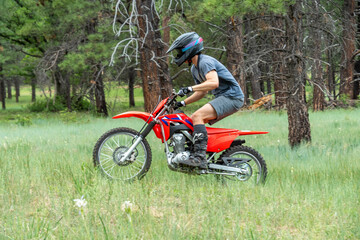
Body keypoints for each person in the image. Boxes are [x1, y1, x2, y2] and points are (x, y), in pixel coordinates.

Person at [166, 32, 244, 168]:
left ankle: (200, 158)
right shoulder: (194, 68)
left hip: (232, 97)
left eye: (179, 51)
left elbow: (213, 83)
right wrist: (182, 103)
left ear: (188, 49)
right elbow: (202, 92)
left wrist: (190, 88)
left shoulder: (205, 62)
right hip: (225, 97)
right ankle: (196, 154)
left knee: (198, 116)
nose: (178, 55)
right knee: (192, 121)